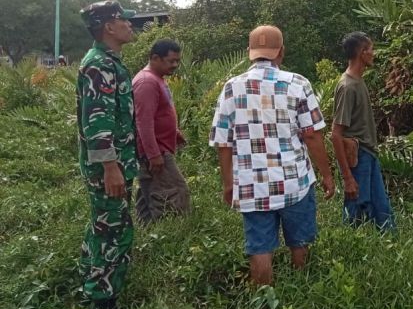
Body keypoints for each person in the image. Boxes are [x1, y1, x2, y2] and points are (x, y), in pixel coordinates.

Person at [209, 25, 336, 285]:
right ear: (281, 52)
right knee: (299, 242)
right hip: (294, 181)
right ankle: (301, 292)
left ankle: (264, 306)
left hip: (252, 184)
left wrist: (227, 185)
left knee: (260, 248)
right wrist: (326, 175)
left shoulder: (232, 88)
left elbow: (223, 143)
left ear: (249, 53)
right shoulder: (298, 83)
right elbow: (312, 135)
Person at [76, 0, 138, 309]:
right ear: (108, 27)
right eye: (123, 20)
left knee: (101, 225)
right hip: (108, 166)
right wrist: (111, 167)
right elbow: (97, 121)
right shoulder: (99, 64)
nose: (130, 25)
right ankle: (102, 300)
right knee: (114, 230)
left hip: (116, 161)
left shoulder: (108, 61)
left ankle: (90, 280)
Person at [331, 32, 396, 231]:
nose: (374, 54)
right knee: (354, 211)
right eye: (371, 49)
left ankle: (389, 251)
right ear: (362, 53)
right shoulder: (347, 87)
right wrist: (348, 177)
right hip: (358, 158)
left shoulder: (359, 82)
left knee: (382, 211)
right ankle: (349, 252)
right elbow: (336, 134)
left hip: (369, 154)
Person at [133, 38, 191, 223]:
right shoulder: (147, 82)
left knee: (148, 192)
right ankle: (170, 233)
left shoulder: (157, 79)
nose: (175, 65)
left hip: (160, 148)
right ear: (155, 58)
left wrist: (174, 132)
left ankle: (149, 234)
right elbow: (143, 122)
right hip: (156, 151)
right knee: (174, 193)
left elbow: (158, 114)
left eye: (177, 61)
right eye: (171, 61)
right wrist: (153, 155)